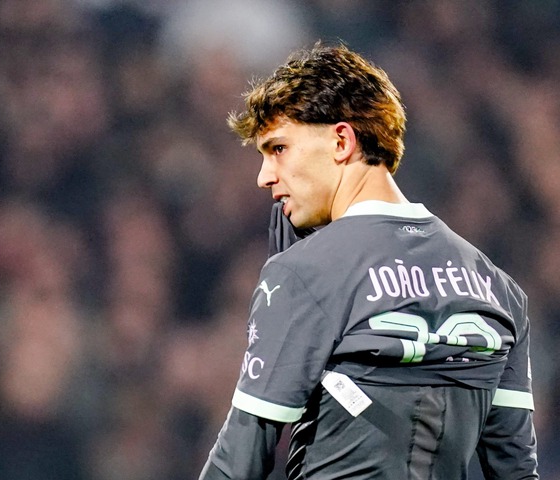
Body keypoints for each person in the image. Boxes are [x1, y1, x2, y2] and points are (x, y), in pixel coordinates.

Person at [198, 41, 538, 480]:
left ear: (341, 140)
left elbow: (239, 461)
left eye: (278, 148)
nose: (264, 176)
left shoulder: (305, 274)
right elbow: (515, 470)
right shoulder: (500, 289)